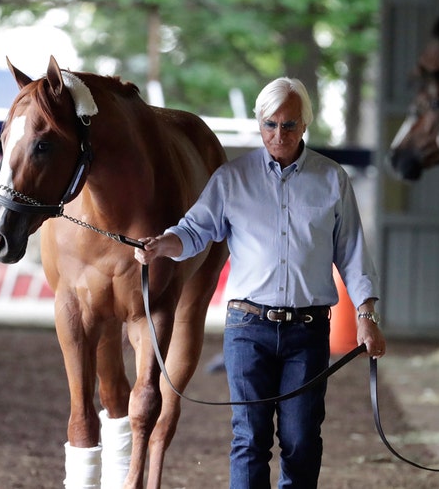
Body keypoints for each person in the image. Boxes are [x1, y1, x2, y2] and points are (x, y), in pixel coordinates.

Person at [133, 77, 386, 488]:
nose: (278, 135)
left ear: (305, 125)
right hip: (247, 330)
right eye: (270, 124)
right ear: (259, 124)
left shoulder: (332, 180)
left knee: (301, 439)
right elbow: (195, 230)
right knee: (249, 439)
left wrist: (366, 313)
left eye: (289, 125)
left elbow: (353, 252)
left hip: (307, 331)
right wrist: (163, 244)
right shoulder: (231, 179)